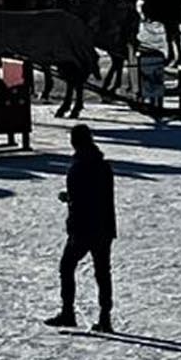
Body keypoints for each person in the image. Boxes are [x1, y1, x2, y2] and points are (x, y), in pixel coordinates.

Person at [47, 124, 116, 332]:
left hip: (84, 228)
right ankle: (105, 317)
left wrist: (68, 203)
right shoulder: (104, 166)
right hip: (104, 226)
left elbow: (79, 200)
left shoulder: (77, 167)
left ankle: (68, 312)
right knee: (103, 272)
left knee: (66, 267)